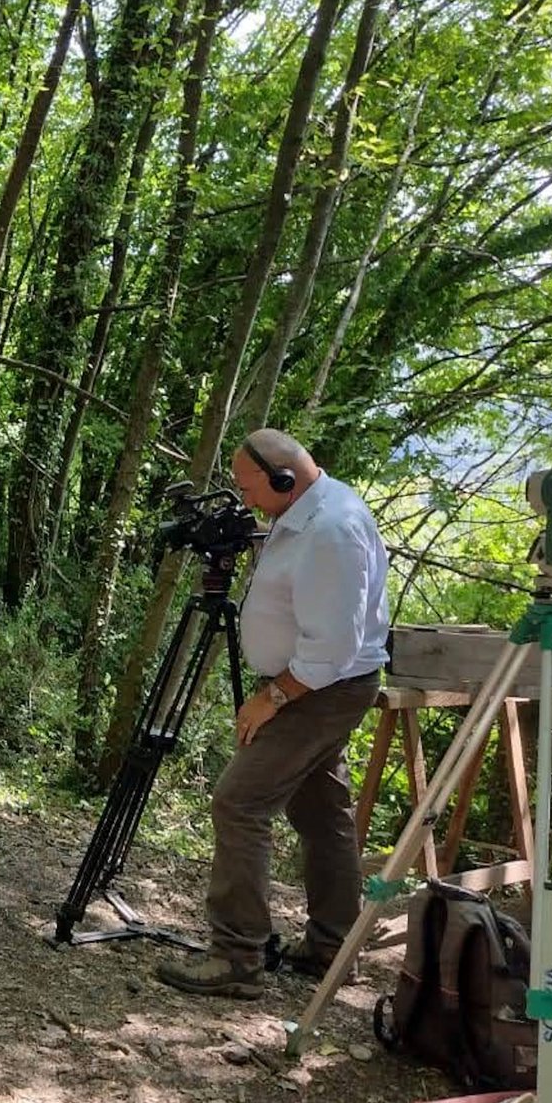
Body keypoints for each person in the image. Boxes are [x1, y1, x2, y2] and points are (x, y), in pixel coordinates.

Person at [157, 428, 390, 1000]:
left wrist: (273, 696)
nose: (244, 499)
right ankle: (333, 945)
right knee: (321, 811)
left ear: (282, 478)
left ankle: (237, 956)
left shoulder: (332, 529)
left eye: (247, 487)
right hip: (316, 682)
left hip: (320, 688)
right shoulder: (304, 512)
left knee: (239, 802)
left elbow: (332, 650)